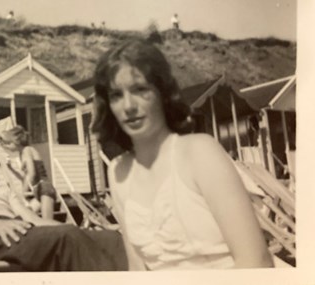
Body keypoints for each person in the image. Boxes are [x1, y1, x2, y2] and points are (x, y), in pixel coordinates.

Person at [91, 38, 273, 270]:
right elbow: (137, 270)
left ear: (162, 93)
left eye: (140, 89)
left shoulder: (199, 153)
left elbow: (256, 262)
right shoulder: (119, 172)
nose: (128, 106)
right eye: (116, 95)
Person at [0, 129, 128, 271]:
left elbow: (35, 221)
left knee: (110, 239)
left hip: (19, 233)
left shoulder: (1, 190)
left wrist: (88, 231)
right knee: (67, 238)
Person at [0, 125, 57, 220]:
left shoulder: (27, 150)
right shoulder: (21, 154)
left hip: (44, 188)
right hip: (37, 190)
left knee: (48, 222)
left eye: (9, 144)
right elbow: (25, 178)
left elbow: (32, 173)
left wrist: (23, 193)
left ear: (16, 142)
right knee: (26, 217)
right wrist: (11, 168)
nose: (7, 147)